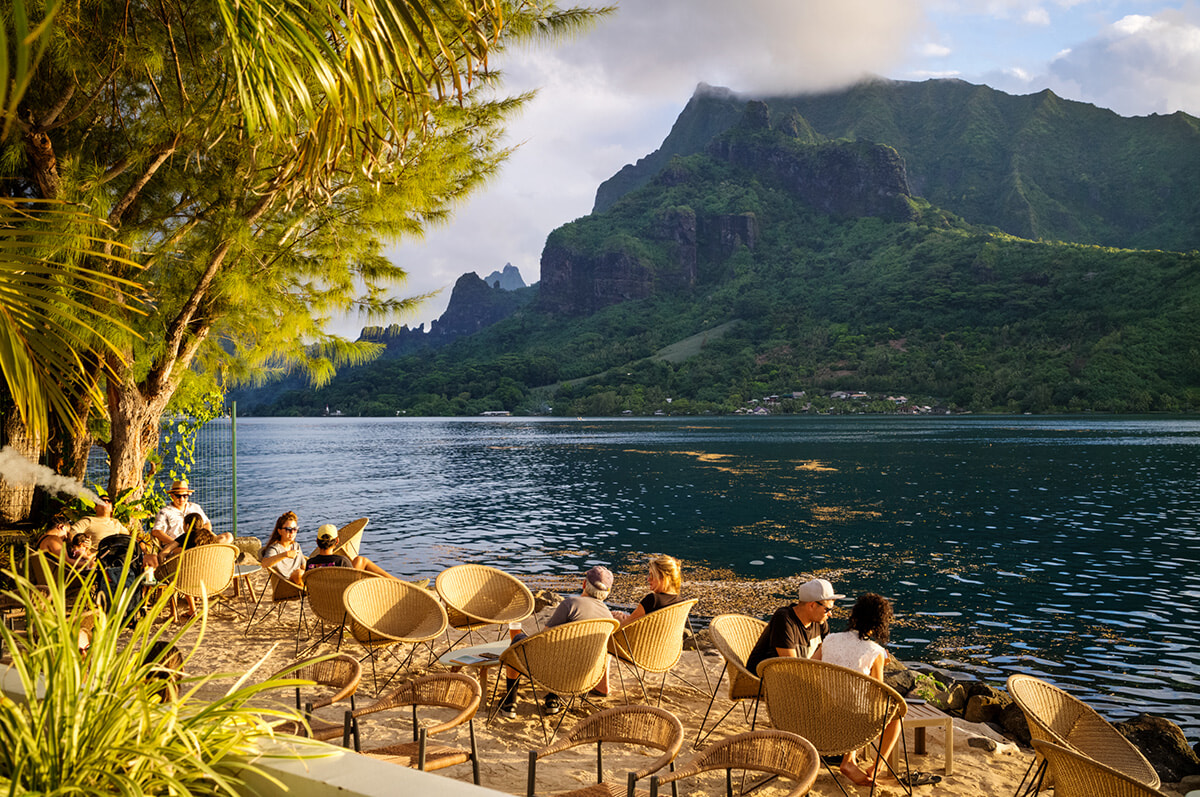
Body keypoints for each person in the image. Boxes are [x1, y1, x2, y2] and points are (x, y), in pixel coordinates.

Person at [498, 565, 615, 719]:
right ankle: (553, 699)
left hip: (553, 672)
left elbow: (545, 638)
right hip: (583, 676)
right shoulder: (608, 617)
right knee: (565, 650)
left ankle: (509, 703)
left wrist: (521, 639)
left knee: (518, 642)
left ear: (584, 584)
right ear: (607, 592)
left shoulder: (571, 604)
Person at [815, 593, 900, 787]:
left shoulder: (830, 639)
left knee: (850, 703)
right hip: (855, 723)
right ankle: (875, 767)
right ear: (880, 623)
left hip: (824, 713)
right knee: (896, 719)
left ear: (854, 615)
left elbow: (808, 667)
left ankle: (851, 760)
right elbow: (878, 693)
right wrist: (881, 663)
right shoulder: (874, 651)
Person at [744, 577, 845, 675]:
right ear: (812, 605)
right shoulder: (784, 619)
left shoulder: (820, 622)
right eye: (827, 609)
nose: (830, 614)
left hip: (795, 678)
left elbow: (830, 653)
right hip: (765, 681)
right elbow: (793, 668)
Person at [150, 480, 232, 554]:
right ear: (172, 496)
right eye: (178, 496)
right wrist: (176, 543)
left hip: (198, 542)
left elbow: (207, 523)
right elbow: (156, 531)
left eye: (185, 496)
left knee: (228, 537)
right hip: (178, 546)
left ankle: (207, 553)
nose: (182, 499)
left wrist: (204, 538)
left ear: (188, 495)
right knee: (183, 551)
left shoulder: (195, 507)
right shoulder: (165, 512)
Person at [304, 524, 401, 579]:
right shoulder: (341, 561)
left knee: (358, 561)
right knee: (361, 561)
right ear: (337, 541)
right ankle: (396, 582)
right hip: (343, 603)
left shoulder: (310, 563)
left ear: (317, 542)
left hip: (320, 604)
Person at [613, 553, 683, 626]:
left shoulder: (653, 600)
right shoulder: (681, 602)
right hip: (669, 637)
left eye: (652, 575)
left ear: (664, 578)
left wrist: (619, 619)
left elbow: (626, 626)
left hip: (643, 637)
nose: (648, 579)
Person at [260, 512, 306, 587]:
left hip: (299, 582)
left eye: (295, 529)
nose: (292, 532)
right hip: (285, 585)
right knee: (299, 574)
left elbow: (304, 566)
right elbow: (264, 563)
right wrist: (285, 554)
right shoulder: (275, 548)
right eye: (288, 529)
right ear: (280, 531)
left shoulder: (296, 546)